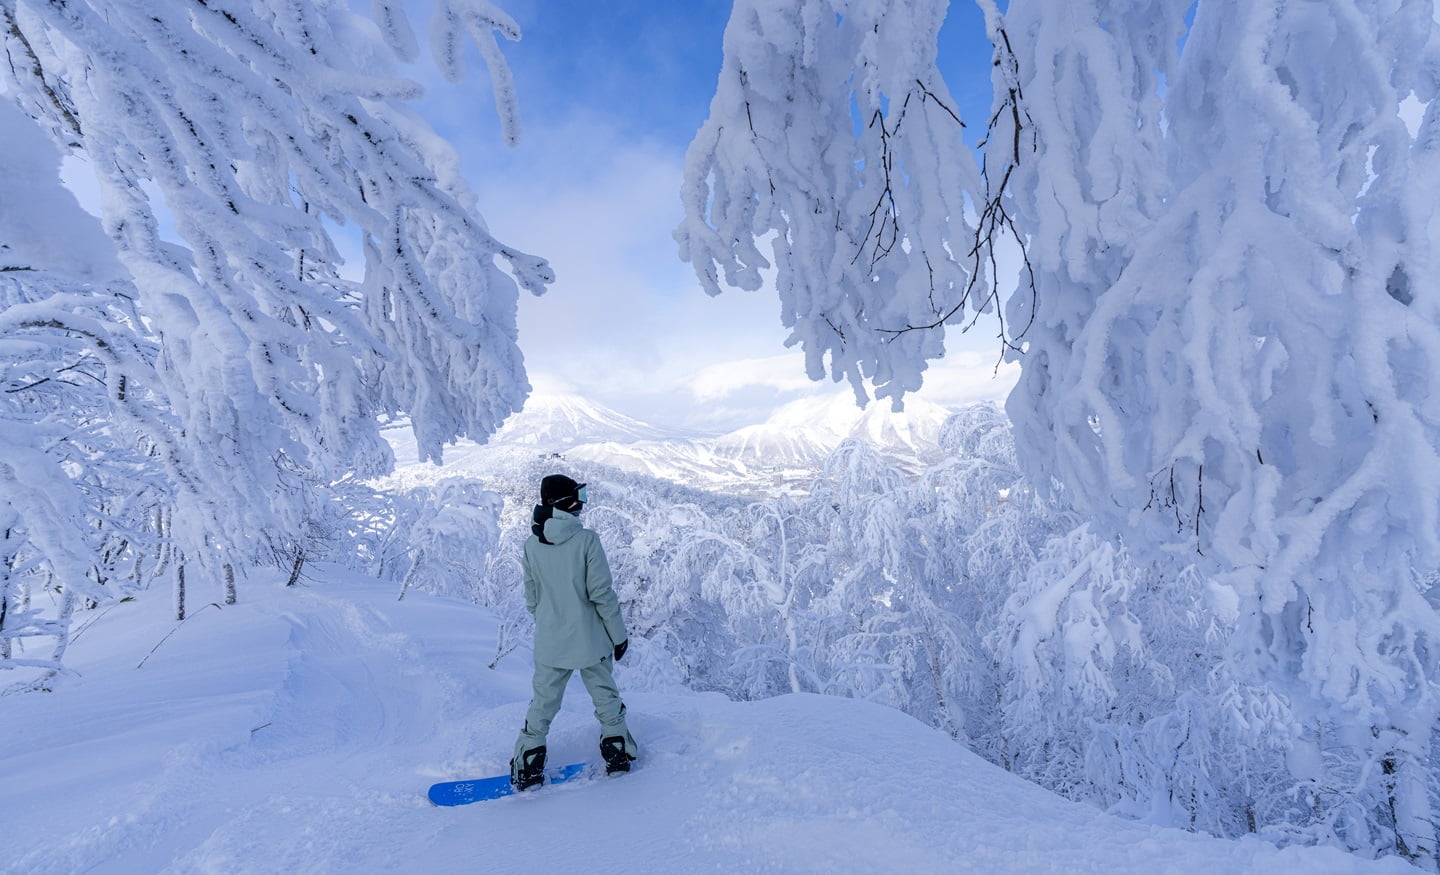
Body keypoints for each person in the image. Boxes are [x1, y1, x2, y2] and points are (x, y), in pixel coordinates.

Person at [511, 474, 637, 790]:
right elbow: (602, 594)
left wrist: (553, 621)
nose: (581, 503)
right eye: (578, 495)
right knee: (605, 696)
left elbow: (532, 597)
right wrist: (618, 636)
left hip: (551, 642)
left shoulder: (531, 545)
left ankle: (528, 760)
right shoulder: (586, 541)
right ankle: (617, 753)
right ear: (564, 502)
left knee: (543, 702)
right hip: (591, 640)